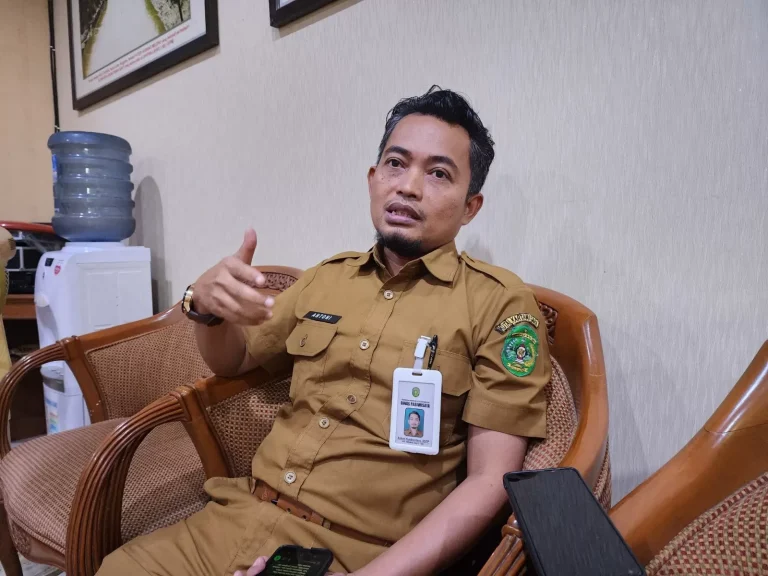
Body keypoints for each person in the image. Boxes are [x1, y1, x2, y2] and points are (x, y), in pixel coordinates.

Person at [97, 87, 552, 576]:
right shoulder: (327, 279)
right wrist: (207, 309)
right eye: (396, 164)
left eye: (438, 173)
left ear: (470, 206)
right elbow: (233, 361)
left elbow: (489, 480)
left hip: (358, 555)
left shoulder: (499, 304)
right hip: (239, 515)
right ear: (373, 179)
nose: (408, 186)